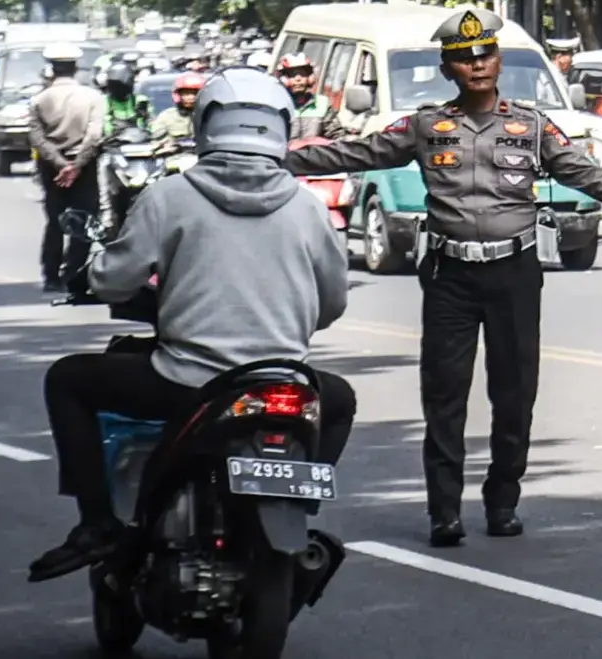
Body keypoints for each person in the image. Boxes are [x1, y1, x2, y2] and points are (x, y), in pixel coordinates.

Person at [283, 8, 602, 548]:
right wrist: (277, 160)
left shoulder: (530, 125)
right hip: (449, 275)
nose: (477, 65)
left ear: (498, 61)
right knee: (445, 396)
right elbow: (359, 152)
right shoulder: (427, 126)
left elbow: (582, 171)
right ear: (448, 68)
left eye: (485, 54)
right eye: (465, 58)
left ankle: (503, 501)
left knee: (515, 393)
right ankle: (444, 512)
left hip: (514, 273)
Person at [27, 66, 356, 583]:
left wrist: (95, 273)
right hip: (281, 384)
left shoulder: (170, 196)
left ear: (205, 123)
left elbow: (115, 282)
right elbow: (333, 304)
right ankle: (296, 499)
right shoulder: (308, 207)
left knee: (67, 379)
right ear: (281, 127)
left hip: (186, 384)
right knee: (339, 401)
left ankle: (96, 523)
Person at [28, 43, 104, 293]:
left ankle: (51, 277)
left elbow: (37, 139)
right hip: (83, 166)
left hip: (52, 167)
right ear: (75, 68)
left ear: (52, 68)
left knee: (54, 221)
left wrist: (61, 165)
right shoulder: (92, 97)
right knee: (83, 220)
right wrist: (77, 165)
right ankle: (73, 274)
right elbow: (94, 136)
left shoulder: (39, 100)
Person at [98, 62, 152, 222]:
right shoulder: (104, 102)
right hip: (114, 151)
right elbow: (103, 126)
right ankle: (106, 213)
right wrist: (103, 139)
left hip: (141, 151)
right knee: (102, 170)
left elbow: (152, 124)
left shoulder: (141, 101)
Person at [276, 52, 346, 140]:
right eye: (292, 75)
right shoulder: (277, 105)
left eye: (302, 74)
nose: (298, 79)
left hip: (314, 153)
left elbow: (337, 136)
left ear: (310, 77)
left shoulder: (322, 104)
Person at [150, 72, 204, 144]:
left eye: (195, 93)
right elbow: (156, 139)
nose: (191, 97)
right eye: (186, 93)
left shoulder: (212, 116)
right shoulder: (167, 117)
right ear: (178, 95)